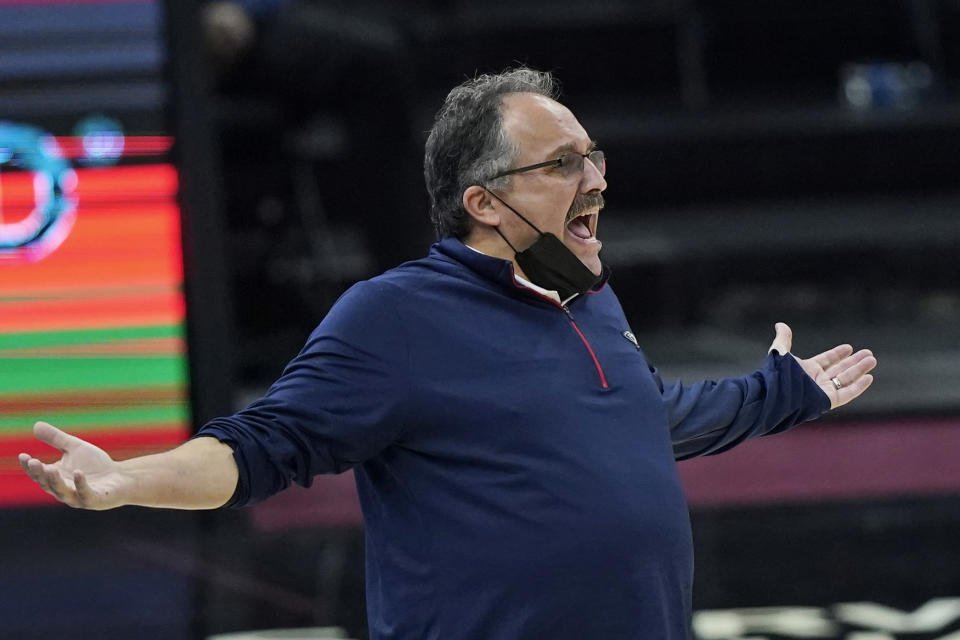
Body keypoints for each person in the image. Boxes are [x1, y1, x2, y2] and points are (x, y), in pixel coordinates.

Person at [19, 68, 877, 640]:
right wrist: (126, 480)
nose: (597, 179)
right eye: (564, 163)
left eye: (595, 156)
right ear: (485, 203)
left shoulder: (589, 299)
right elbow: (261, 448)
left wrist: (779, 394)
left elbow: (637, 418)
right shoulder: (395, 318)